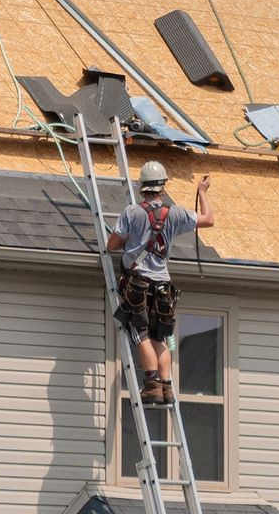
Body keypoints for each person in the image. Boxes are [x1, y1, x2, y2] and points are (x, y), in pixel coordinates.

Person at [104, 163, 215, 405]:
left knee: (141, 334)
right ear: (162, 188)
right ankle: (166, 387)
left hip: (138, 284)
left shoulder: (131, 213)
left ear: (143, 188)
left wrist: (131, 244)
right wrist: (202, 192)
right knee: (160, 337)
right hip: (163, 285)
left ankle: (152, 383)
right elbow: (208, 220)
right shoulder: (175, 213)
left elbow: (111, 245)